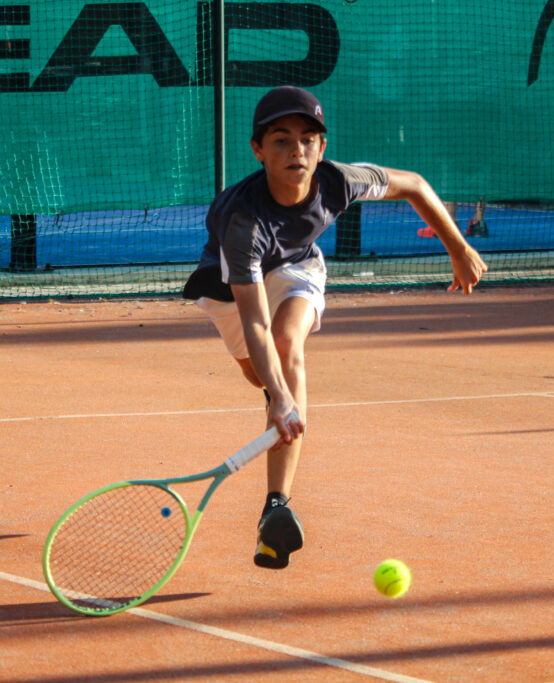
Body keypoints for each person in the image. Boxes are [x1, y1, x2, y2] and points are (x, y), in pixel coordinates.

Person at [182, 85, 487, 569]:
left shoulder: (339, 180)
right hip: (232, 288)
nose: (296, 150)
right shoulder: (244, 220)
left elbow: (414, 184)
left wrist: (457, 248)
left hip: (301, 267)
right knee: (261, 378)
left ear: (322, 148)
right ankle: (276, 397)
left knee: (287, 350)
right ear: (258, 150)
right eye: (280, 140)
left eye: (307, 139)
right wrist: (278, 396)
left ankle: (275, 505)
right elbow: (254, 320)